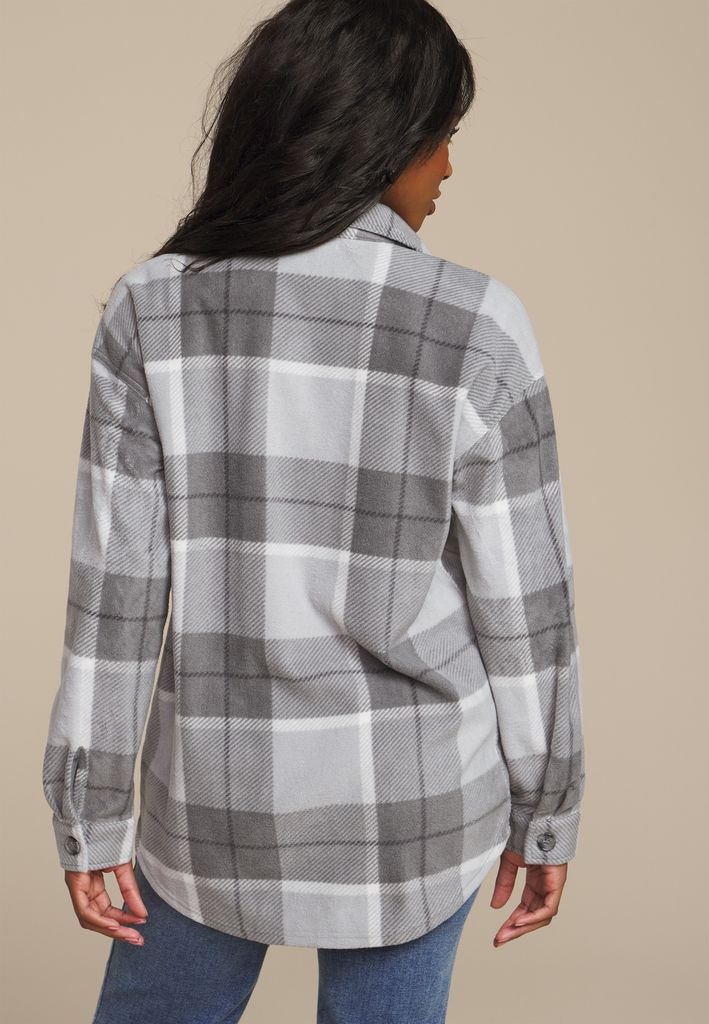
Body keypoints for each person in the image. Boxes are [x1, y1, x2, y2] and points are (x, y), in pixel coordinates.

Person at [41, 0, 586, 1021]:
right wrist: (545, 809)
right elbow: (526, 615)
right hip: (416, 806)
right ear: (380, 136)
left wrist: (90, 813)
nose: (448, 168)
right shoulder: (478, 322)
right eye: (441, 137)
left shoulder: (151, 309)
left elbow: (116, 597)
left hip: (212, 801)